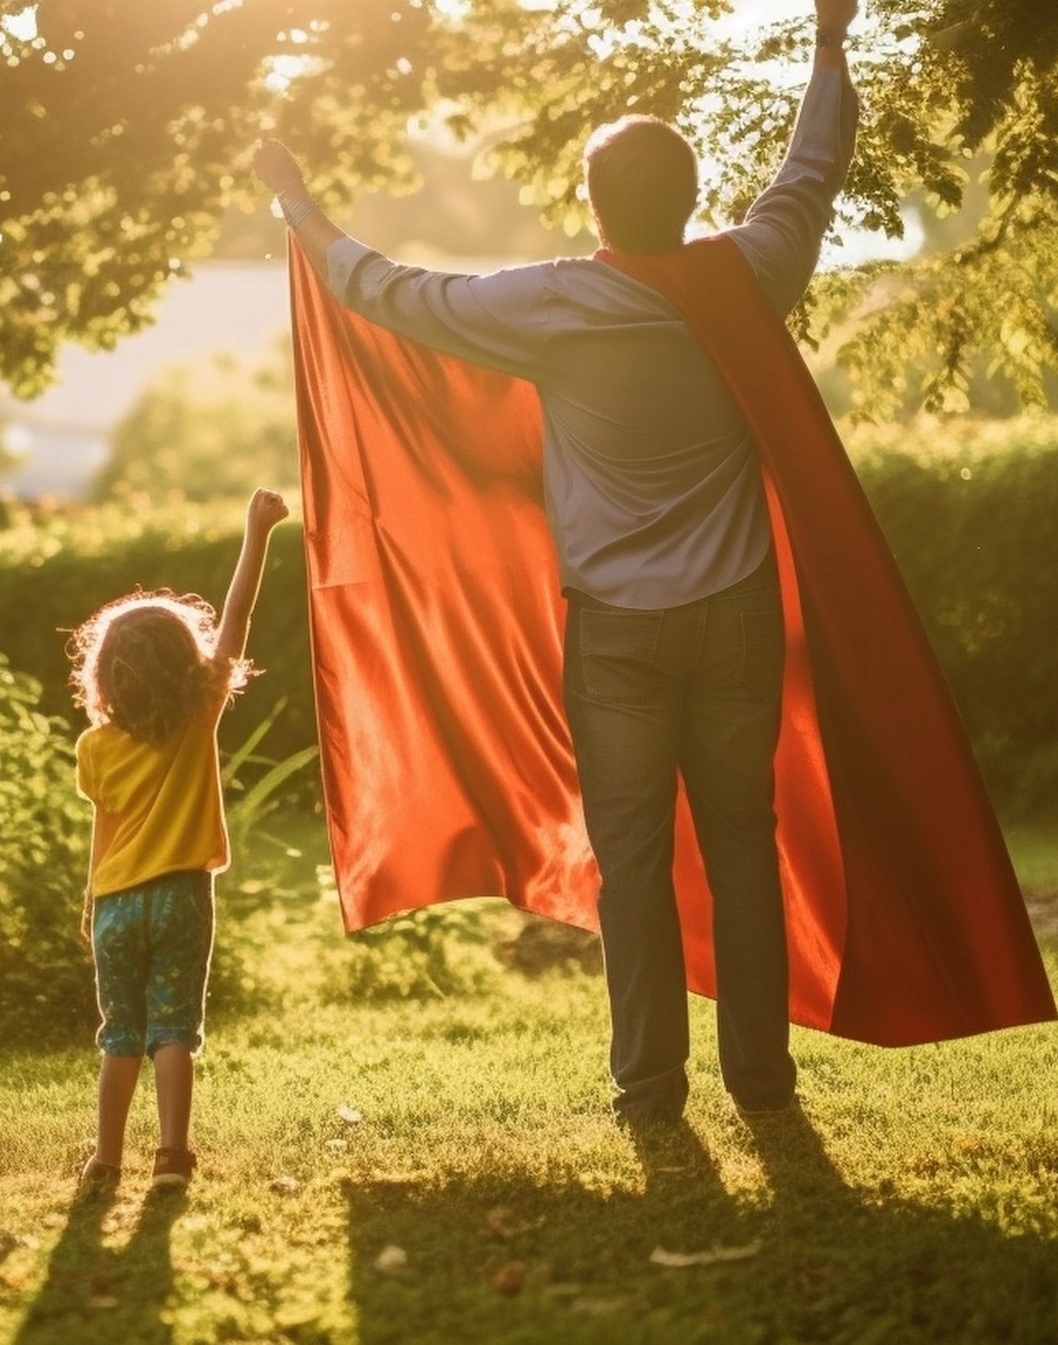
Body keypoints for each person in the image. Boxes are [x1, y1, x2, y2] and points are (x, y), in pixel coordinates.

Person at [253, 0, 861, 1122]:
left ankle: (648, 1088)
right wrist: (828, 42)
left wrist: (298, 201)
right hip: (734, 619)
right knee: (742, 848)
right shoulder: (750, 278)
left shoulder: (553, 303)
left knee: (632, 866)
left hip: (618, 633)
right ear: (687, 201)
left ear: (594, 205)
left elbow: (381, 288)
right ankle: (763, 1083)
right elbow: (810, 172)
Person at [68, 487, 290, 1190]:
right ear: (183, 664)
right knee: (172, 1029)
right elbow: (238, 618)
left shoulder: (94, 746)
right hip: (180, 897)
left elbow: (104, 828)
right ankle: (171, 1154)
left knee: (119, 1032)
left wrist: (91, 899)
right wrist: (256, 532)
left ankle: (104, 1158)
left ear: (106, 675)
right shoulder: (199, 714)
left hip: (115, 902)